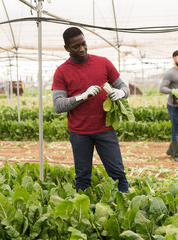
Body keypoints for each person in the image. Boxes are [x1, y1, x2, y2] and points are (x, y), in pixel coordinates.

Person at [51, 27, 129, 193]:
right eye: (76, 46)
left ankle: (125, 203)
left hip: (105, 129)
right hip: (79, 133)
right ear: (66, 48)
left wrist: (121, 92)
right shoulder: (61, 72)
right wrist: (82, 96)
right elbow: (58, 105)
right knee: (83, 175)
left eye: (84, 44)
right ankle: (83, 209)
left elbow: (124, 87)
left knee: (117, 173)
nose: (82, 49)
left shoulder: (103, 63)